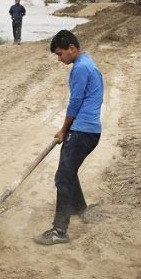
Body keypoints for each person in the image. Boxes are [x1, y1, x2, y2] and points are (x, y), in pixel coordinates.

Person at [36, 30, 104, 245]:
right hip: (90, 130)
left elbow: (75, 103)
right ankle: (81, 209)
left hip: (82, 131)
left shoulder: (80, 69)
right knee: (69, 171)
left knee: (62, 177)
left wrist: (64, 129)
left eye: (60, 54)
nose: (59, 59)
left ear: (72, 49)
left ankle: (59, 230)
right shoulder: (87, 62)